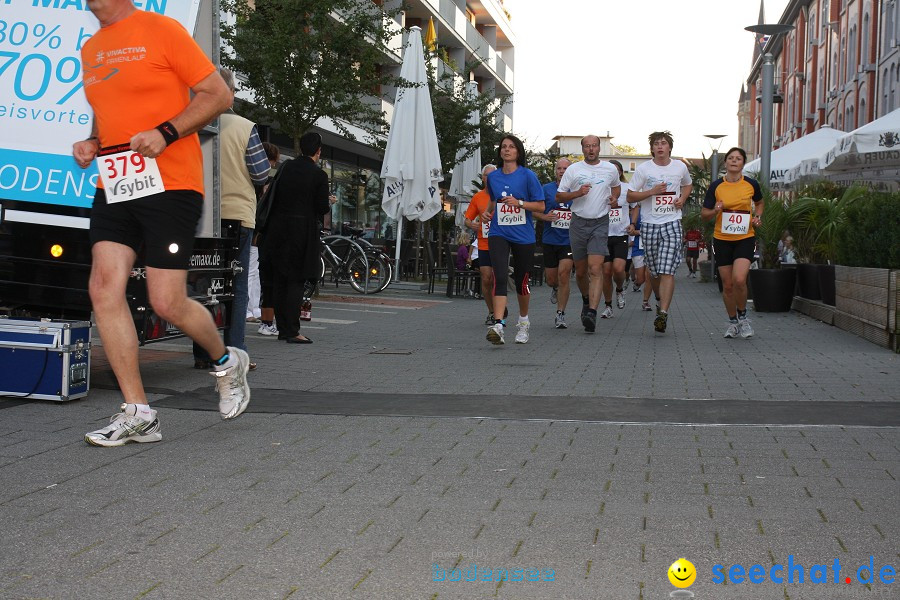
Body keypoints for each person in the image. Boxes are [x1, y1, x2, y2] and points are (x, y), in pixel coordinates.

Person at [73, 0, 248, 446]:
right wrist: (93, 140)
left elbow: (218, 95)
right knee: (102, 287)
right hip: (116, 184)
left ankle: (227, 361)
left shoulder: (162, 30)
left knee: (166, 302)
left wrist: (166, 132)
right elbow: (109, 110)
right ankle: (138, 413)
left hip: (172, 184)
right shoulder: (91, 48)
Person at [193, 67, 269, 371]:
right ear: (230, 93)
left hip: (200, 215)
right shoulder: (245, 127)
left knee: (203, 285)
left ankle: (203, 353)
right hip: (237, 216)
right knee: (236, 287)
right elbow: (261, 173)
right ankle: (235, 351)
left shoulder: (194, 122)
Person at [260, 132, 336, 344]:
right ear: (318, 151)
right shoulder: (318, 175)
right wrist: (328, 202)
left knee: (278, 280)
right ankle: (292, 331)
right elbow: (321, 207)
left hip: (276, 231)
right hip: (300, 232)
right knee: (295, 281)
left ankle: (282, 327)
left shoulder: (285, 168)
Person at [626, 131, 692, 334]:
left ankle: (663, 313)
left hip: (672, 222)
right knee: (654, 272)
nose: (660, 147)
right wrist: (651, 192)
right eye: (656, 144)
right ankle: (658, 299)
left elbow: (687, 184)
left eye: (664, 143)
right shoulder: (644, 169)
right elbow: (629, 196)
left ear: (670, 147)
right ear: (652, 148)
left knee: (667, 271)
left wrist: (682, 199)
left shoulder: (680, 166)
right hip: (650, 225)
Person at [555, 135, 621, 332]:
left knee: (595, 268)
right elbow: (559, 195)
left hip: (600, 221)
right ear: (582, 149)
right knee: (581, 271)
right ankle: (586, 300)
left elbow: (616, 187)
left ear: (600, 148)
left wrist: (614, 197)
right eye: (587, 146)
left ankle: (592, 312)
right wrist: (577, 193)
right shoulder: (574, 169)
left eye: (594, 146)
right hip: (578, 222)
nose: (591, 149)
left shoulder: (609, 169)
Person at [482, 135, 544, 345]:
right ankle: (499, 325)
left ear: (518, 152)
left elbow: (541, 206)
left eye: (511, 147)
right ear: (500, 152)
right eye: (503, 147)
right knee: (499, 276)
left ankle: (524, 322)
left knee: (521, 282)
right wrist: (487, 212)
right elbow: (493, 199)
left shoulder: (528, 176)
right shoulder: (493, 177)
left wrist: (519, 203)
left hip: (523, 235)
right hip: (499, 232)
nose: (507, 150)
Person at [702, 147, 763, 339]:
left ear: (743, 163)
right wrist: (716, 210)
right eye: (730, 158)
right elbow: (705, 215)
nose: (734, 161)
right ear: (725, 162)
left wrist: (757, 216)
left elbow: (760, 203)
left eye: (738, 159)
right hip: (722, 239)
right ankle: (732, 321)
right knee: (727, 285)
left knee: (739, 279)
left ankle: (744, 318)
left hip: (745, 237)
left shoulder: (751, 184)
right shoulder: (716, 186)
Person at [532, 158, 573, 329]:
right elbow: (534, 210)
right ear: (555, 170)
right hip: (550, 239)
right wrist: (545, 217)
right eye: (559, 168)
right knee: (551, 279)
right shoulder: (546, 189)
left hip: (569, 240)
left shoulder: (577, 190)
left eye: (565, 168)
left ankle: (560, 314)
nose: (562, 171)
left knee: (564, 275)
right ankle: (554, 288)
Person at [248, 142, 280, 325]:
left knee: (255, 271)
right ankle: (249, 309)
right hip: (254, 230)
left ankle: (254, 308)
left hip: (256, 230)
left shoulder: (261, 180)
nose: (273, 166)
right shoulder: (260, 180)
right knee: (252, 271)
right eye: (272, 161)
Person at [464, 164, 498, 324]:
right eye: (486, 176)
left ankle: (500, 306)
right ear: (483, 178)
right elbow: (467, 219)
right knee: (486, 278)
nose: (489, 179)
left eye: (493, 175)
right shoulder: (478, 197)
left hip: (501, 243)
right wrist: (472, 225)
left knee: (498, 279)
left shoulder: (503, 195)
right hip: (484, 244)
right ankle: (492, 311)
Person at [600, 160, 631, 318]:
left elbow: (635, 206)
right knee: (606, 272)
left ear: (619, 172)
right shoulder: (601, 188)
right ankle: (608, 305)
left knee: (618, 270)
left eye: (616, 170)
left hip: (620, 235)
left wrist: (632, 224)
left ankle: (619, 289)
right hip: (603, 235)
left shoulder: (626, 189)